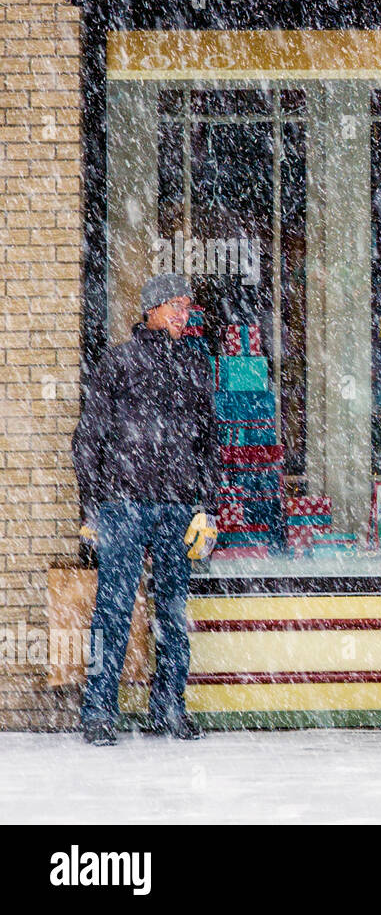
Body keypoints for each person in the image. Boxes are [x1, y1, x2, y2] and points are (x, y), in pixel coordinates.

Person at [72, 272, 221, 746]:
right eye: (175, 305)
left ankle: (169, 708)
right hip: (122, 506)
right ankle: (97, 713)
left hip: (178, 508)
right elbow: (88, 440)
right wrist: (91, 508)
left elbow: (207, 443)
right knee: (112, 612)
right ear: (151, 310)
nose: (183, 314)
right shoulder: (117, 364)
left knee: (172, 613)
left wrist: (208, 507)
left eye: (187, 307)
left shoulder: (196, 366)